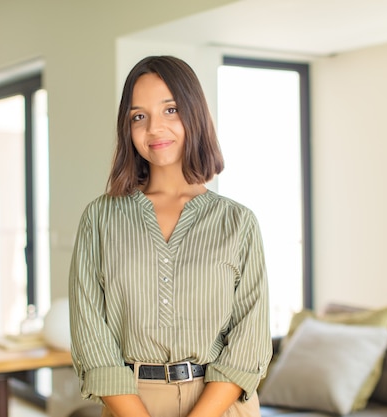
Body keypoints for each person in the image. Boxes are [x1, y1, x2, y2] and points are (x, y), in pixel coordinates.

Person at [68, 55, 272, 417]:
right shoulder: (99, 219)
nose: (154, 129)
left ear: (194, 114)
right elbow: (91, 337)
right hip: (130, 403)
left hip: (219, 405)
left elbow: (249, 340)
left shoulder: (238, 222)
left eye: (171, 110)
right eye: (139, 116)